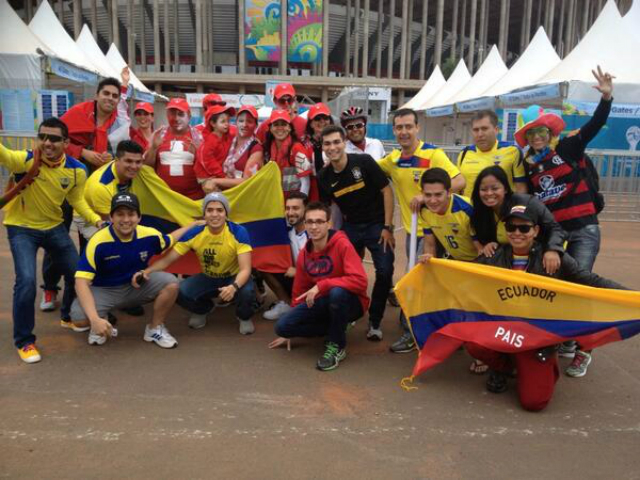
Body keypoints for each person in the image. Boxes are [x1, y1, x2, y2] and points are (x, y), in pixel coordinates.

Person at [465, 203, 627, 411]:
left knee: (535, 402)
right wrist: (432, 264)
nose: (517, 233)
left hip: (536, 337)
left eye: (524, 228)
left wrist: (631, 295)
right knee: (474, 342)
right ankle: (504, 367)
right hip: (505, 331)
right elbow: (462, 275)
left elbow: (590, 280)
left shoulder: (553, 257)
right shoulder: (494, 255)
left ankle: (543, 364)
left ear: (535, 231)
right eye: (511, 227)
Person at [515, 66, 615, 377]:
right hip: (556, 235)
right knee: (557, 286)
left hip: (584, 229)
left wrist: (607, 98)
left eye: (541, 132)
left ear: (550, 133)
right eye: (532, 133)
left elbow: (594, 125)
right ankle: (568, 338)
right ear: (527, 138)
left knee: (580, 285)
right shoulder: (529, 166)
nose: (537, 137)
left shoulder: (569, 148)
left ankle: (585, 350)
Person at [1, 117, 103, 363]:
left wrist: (96, 220)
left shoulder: (77, 170)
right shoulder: (25, 160)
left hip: (54, 227)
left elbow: (77, 200)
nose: (47, 143)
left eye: (54, 138)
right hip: (21, 228)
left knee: (78, 274)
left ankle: (67, 316)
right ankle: (25, 341)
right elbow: (4, 154)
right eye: (43, 137)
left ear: (66, 143)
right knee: (26, 281)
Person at [41, 69, 131, 310]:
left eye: (115, 95)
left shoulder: (119, 121)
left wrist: (110, 158)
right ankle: (50, 288)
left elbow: (122, 151)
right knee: (57, 236)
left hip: (97, 188)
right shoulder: (77, 113)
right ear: (97, 95)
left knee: (92, 238)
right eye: (106, 94)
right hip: (66, 181)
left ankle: (87, 287)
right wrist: (83, 152)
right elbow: (54, 142)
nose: (110, 98)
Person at [379, 108, 464, 354]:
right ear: (394, 130)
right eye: (399, 127)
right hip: (412, 232)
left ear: (417, 128)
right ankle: (425, 328)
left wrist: (427, 197)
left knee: (424, 282)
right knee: (420, 281)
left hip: (437, 231)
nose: (404, 131)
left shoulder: (433, 154)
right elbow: (372, 169)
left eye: (408, 126)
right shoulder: (393, 159)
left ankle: (419, 332)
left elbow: (459, 181)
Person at [71, 193, 200, 348]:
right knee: (79, 320)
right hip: (105, 290)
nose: (126, 220)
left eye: (131, 214)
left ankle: (155, 328)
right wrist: (94, 319)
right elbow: (80, 282)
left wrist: (192, 225)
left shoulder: (149, 234)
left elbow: (170, 239)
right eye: (120, 214)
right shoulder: (97, 242)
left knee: (171, 283)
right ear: (111, 217)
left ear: (139, 217)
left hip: (136, 286)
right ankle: (101, 321)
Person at [270, 202, 369, 371]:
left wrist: (322, 285)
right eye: (309, 222)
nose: (314, 227)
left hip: (352, 302)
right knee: (283, 327)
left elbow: (360, 281)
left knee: (337, 293)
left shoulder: (342, 244)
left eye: (319, 222)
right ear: (305, 223)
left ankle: (337, 346)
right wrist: (292, 326)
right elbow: (299, 291)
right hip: (324, 301)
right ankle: (337, 326)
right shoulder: (304, 253)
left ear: (329, 224)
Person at [317, 125, 394, 341]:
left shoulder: (364, 162)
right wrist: (329, 235)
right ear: (323, 148)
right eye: (327, 144)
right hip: (351, 227)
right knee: (341, 272)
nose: (332, 147)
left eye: (336, 142)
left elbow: (387, 191)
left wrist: (388, 227)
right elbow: (328, 208)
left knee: (385, 271)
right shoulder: (323, 176)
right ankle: (350, 313)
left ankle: (375, 321)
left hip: (377, 225)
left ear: (344, 143)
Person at [143, 193, 257, 335]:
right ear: (204, 214)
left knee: (247, 292)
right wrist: (146, 272)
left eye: (219, 210)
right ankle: (203, 309)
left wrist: (234, 286)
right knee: (178, 291)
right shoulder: (195, 233)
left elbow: (245, 269)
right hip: (208, 277)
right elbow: (167, 260)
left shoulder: (238, 231)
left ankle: (243, 316)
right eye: (209, 210)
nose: (214, 214)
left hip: (234, 277)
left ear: (226, 214)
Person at [470, 166, 565, 273]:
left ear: (506, 189)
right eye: (483, 189)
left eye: (495, 188)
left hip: (541, 261)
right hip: (511, 264)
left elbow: (554, 227)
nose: (489, 193)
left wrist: (552, 249)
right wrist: (489, 245)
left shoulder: (527, 202)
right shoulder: (479, 211)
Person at [457, 110, 527, 198]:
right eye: (476, 130)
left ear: (496, 130)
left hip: (502, 207)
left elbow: (521, 188)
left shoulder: (513, 151)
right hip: (469, 207)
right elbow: (458, 189)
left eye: (484, 129)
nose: (480, 134)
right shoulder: (464, 153)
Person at [418, 168, 482, 263]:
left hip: (477, 261)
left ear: (449, 192)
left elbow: (482, 249)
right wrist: (428, 260)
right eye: (428, 195)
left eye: (438, 195)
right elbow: (430, 245)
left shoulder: (467, 209)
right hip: (455, 260)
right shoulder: (424, 211)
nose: (433, 201)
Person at [144, 98, 204, 200]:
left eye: (180, 114)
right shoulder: (158, 135)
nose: (176, 118)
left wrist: (198, 154)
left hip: (193, 200)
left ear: (189, 116)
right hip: (164, 198)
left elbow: (207, 172)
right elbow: (147, 168)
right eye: (172, 114)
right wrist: (153, 148)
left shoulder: (199, 137)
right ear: (167, 115)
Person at [262, 192, 309, 320]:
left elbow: (324, 268)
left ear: (306, 209)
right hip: (294, 278)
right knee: (262, 264)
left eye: (295, 208)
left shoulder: (314, 232)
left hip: (314, 282)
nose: (290, 212)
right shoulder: (288, 230)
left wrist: (299, 271)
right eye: (287, 208)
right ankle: (287, 304)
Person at [196, 105, 263, 191]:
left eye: (249, 121)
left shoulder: (256, 148)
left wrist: (216, 181)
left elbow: (248, 181)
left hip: (242, 195)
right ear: (236, 123)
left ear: (256, 125)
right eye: (241, 121)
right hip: (222, 191)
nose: (244, 125)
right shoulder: (230, 139)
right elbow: (205, 155)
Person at [263, 110, 313, 198]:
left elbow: (306, 182)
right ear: (270, 129)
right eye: (276, 124)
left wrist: (299, 202)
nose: (280, 128)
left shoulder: (297, 148)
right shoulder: (267, 148)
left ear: (289, 128)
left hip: (292, 202)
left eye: (283, 124)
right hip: (274, 200)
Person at [195, 104, 236, 192]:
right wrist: (222, 176)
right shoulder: (211, 140)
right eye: (223, 121)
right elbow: (207, 159)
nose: (227, 124)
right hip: (207, 176)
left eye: (228, 121)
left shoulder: (225, 137)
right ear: (213, 123)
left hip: (215, 174)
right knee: (216, 197)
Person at [305, 103, 333, 174]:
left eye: (325, 118)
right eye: (317, 118)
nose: (322, 121)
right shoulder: (303, 145)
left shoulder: (337, 142)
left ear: (330, 121)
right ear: (311, 124)